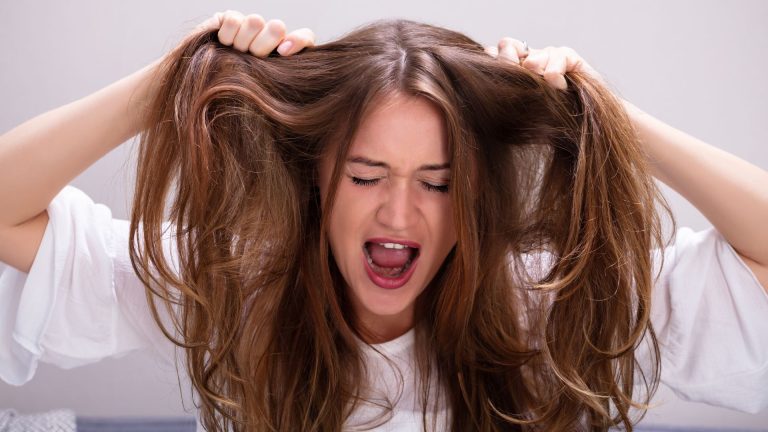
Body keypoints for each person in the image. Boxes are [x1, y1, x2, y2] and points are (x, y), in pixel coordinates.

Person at [1, 10, 766, 432]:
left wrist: (605, 114)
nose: (399, 214)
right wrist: (174, 80)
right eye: (368, 176)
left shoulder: (544, 296)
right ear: (317, 181)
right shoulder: (242, 283)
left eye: (438, 184)